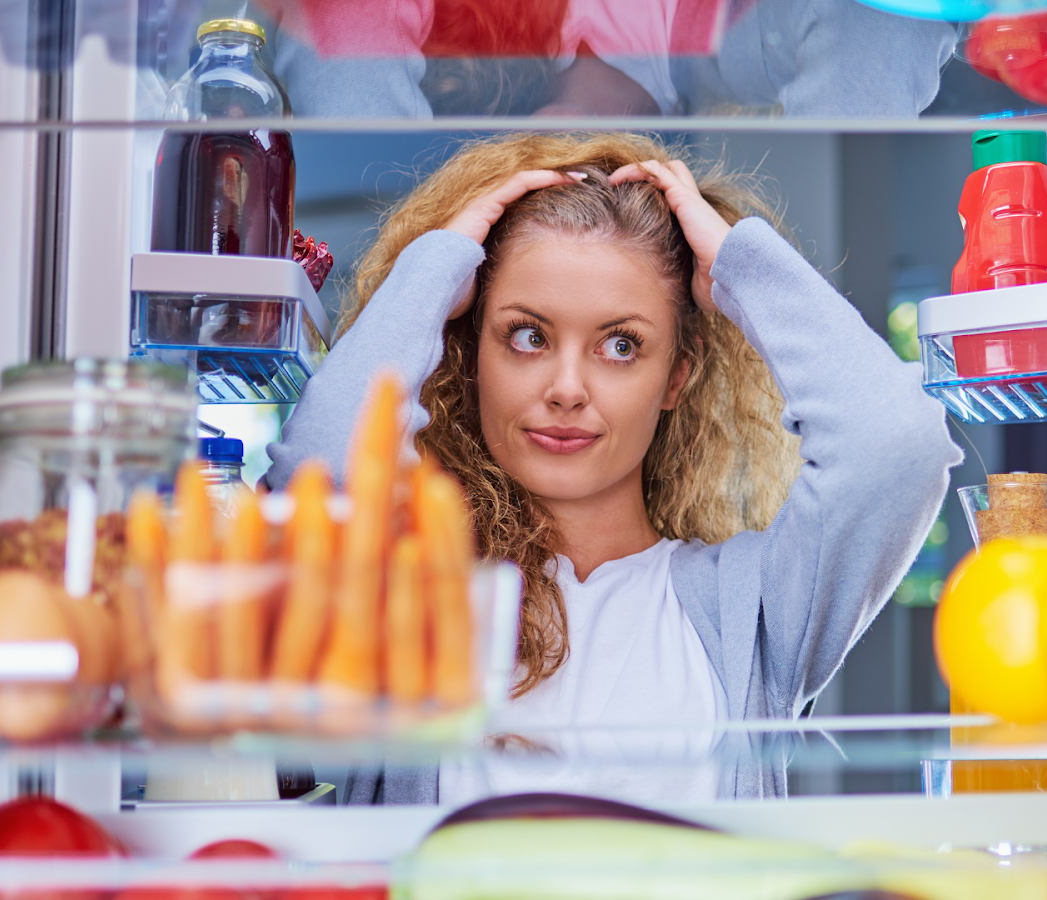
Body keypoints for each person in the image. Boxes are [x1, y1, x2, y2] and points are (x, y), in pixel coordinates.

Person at [265, 132, 961, 805]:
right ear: (471, 356)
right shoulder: (412, 594)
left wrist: (739, 269)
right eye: (528, 336)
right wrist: (434, 269)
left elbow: (896, 446)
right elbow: (318, 480)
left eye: (621, 345)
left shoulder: (748, 611)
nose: (567, 387)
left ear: (674, 380)